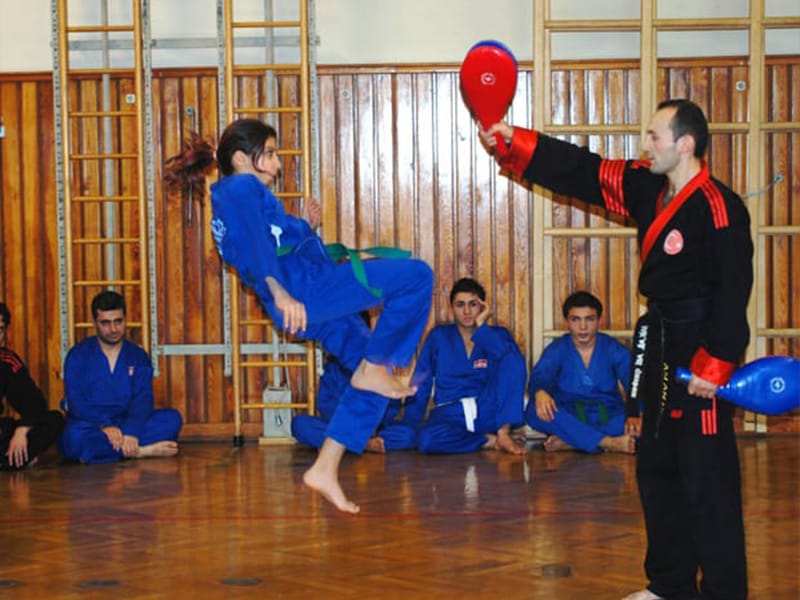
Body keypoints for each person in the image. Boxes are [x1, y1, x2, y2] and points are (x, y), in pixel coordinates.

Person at [481, 99, 752, 599]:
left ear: (685, 144)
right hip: (660, 342)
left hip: (700, 351)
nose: (645, 145)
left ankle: (724, 591)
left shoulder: (720, 206)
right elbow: (583, 171)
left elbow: (735, 289)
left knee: (707, 477)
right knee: (656, 467)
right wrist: (515, 143)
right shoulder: (647, 186)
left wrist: (717, 362)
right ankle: (669, 585)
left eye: (654, 136)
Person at [163, 119, 433, 513]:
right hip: (303, 292)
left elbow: (269, 241)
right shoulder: (239, 188)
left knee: (373, 374)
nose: (277, 165)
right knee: (417, 277)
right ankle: (375, 368)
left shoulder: (237, 200)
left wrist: (304, 227)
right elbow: (257, 252)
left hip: (306, 292)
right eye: (270, 154)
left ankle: (326, 467)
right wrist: (281, 292)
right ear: (241, 158)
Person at [401, 277, 527, 455]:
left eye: (473, 304)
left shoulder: (498, 335)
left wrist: (482, 327)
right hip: (451, 415)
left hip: (488, 411)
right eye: (460, 305)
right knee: (426, 439)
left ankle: (503, 433)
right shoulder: (439, 336)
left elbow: (513, 368)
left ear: (482, 307)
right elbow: (422, 382)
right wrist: (410, 425)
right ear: (452, 308)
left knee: (513, 358)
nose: (467, 311)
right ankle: (488, 440)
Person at [57, 291, 182, 464]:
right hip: (92, 424)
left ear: (125, 320)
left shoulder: (138, 355)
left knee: (172, 420)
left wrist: (131, 431)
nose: (113, 329)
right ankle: (140, 451)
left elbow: (143, 399)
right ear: (95, 323)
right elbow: (76, 401)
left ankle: (109, 451)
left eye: (118, 321)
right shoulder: (78, 355)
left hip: (126, 421)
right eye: (105, 323)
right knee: (73, 439)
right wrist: (104, 425)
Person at [525, 291, 635, 454]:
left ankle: (572, 441)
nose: (583, 327)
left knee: (641, 424)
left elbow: (635, 385)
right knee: (533, 411)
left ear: (599, 320)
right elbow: (541, 376)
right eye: (575, 319)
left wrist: (637, 413)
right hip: (569, 414)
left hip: (608, 414)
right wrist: (540, 392)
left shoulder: (614, 349)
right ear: (567, 322)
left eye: (589, 319)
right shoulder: (558, 349)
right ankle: (607, 442)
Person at [291, 355, 416, 453]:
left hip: (372, 431)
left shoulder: (378, 367)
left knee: (407, 435)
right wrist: (351, 428)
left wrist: (370, 428)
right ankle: (365, 445)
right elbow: (325, 406)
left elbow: (391, 407)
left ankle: (346, 447)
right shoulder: (335, 367)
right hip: (342, 429)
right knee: (300, 425)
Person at [0, 302, 64, 470]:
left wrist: (22, 429)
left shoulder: (7, 361)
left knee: (53, 420)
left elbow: (34, 403)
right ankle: (11, 462)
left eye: (0, 330)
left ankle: (10, 460)